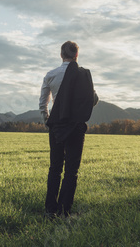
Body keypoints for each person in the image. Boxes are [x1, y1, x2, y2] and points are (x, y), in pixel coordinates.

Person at [39, 41, 98, 218]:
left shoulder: (51, 75)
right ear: (76, 56)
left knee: (55, 168)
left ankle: (50, 210)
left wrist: (48, 121)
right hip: (77, 126)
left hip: (57, 125)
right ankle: (64, 212)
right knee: (72, 170)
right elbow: (94, 99)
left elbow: (43, 103)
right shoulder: (84, 75)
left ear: (61, 54)